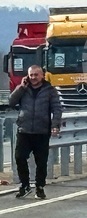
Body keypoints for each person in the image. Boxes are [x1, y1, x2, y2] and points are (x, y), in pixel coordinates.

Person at [8, 65, 63, 200]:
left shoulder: (50, 90)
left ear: (42, 75)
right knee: (20, 157)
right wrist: (21, 87)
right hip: (24, 130)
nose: (33, 78)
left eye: (36, 75)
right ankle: (25, 185)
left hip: (42, 131)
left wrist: (55, 124)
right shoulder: (23, 89)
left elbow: (57, 109)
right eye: (31, 75)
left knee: (41, 161)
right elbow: (11, 102)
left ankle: (40, 187)